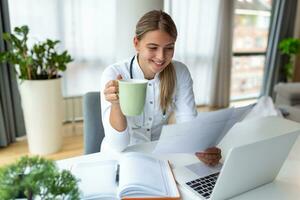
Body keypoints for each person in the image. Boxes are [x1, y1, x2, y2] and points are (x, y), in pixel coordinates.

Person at [100, 10, 221, 166]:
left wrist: (201, 149)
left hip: (158, 155)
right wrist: (116, 105)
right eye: (153, 47)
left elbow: (188, 125)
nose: (161, 57)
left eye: (169, 48)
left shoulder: (180, 72)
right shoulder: (115, 73)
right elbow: (118, 145)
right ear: (136, 43)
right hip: (120, 157)